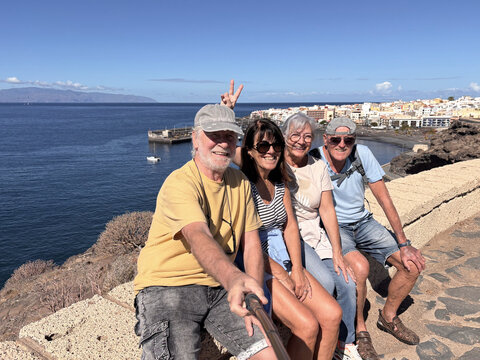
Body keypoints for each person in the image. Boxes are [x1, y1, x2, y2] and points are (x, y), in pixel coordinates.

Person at [133, 104, 276, 360]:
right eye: (214, 135)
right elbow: (198, 236)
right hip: (169, 286)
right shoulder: (180, 183)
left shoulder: (240, 182)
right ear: (195, 139)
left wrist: (254, 296)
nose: (223, 143)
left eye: (229, 136)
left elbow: (252, 243)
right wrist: (233, 277)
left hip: (220, 286)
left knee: (268, 353)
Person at [314, 117, 426, 360]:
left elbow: (385, 199)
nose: (342, 144)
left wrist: (404, 244)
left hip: (364, 222)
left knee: (412, 265)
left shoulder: (362, 154)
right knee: (360, 269)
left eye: (348, 140)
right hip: (334, 227)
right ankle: (359, 330)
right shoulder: (314, 159)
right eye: (335, 139)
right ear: (325, 139)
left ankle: (388, 317)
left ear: (354, 141)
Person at [240, 118, 342, 360]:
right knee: (308, 326)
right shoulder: (243, 185)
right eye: (263, 146)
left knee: (332, 315)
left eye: (276, 145)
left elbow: (290, 227)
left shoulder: (279, 181)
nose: (271, 151)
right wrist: (282, 275)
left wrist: (296, 269)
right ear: (251, 151)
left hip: (282, 256)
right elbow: (249, 245)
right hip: (257, 263)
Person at [281, 113, 361, 360]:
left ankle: (343, 344)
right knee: (325, 284)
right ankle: (313, 340)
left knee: (347, 281)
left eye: (307, 136)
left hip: (316, 234)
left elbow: (327, 209)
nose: (301, 141)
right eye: (295, 135)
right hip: (292, 237)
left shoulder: (317, 167)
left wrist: (338, 252)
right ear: (284, 137)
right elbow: (241, 154)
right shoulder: (274, 163)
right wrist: (227, 112)